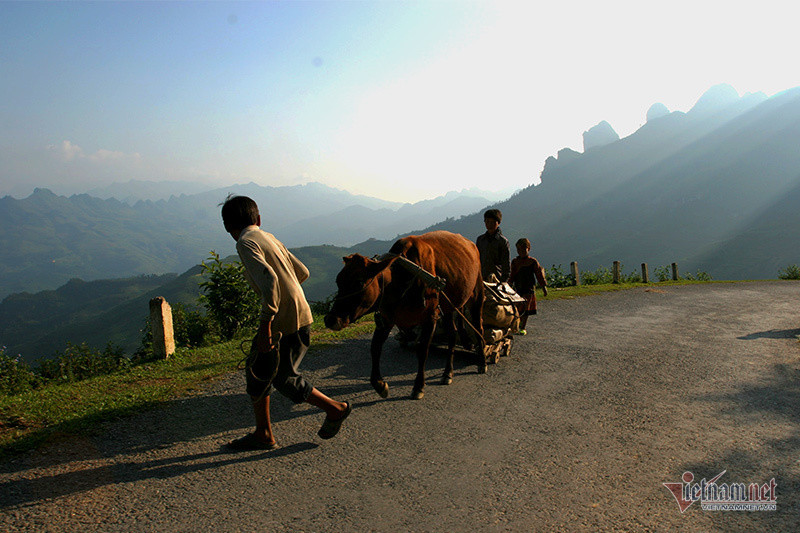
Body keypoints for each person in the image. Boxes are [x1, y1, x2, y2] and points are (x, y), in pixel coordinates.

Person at [221, 195, 351, 450]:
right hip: (299, 314)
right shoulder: (269, 237)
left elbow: (269, 279)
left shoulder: (245, 242)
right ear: (258, 218)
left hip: (283, 322)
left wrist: (266, 324)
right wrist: (290, 294)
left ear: (228, 228)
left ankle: (335, 409)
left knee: (282, 377)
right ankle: (263, 432)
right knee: (258, 370)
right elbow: (302, 272)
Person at [509, 238, 548, 335]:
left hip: (529, 289)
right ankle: (516, 325)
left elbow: (539, 275)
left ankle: (522, 327)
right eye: (519, 249)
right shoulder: (515, 262)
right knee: (517, 308)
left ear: (528, 249)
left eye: (523, 249)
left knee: (526, 309)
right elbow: (511, 276)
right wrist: (509, 286)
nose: (521, 252)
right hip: (518, 289)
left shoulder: (533, 262)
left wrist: (544, 287)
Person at [476, 208, 511, 282]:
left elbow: (506, 265)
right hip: (482, 279)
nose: (489, 225)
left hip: (497, 279)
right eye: (487, 222)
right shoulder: (480, 240)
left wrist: (504, 281)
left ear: (498, 223)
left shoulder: (503, 241)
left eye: (492, 222)